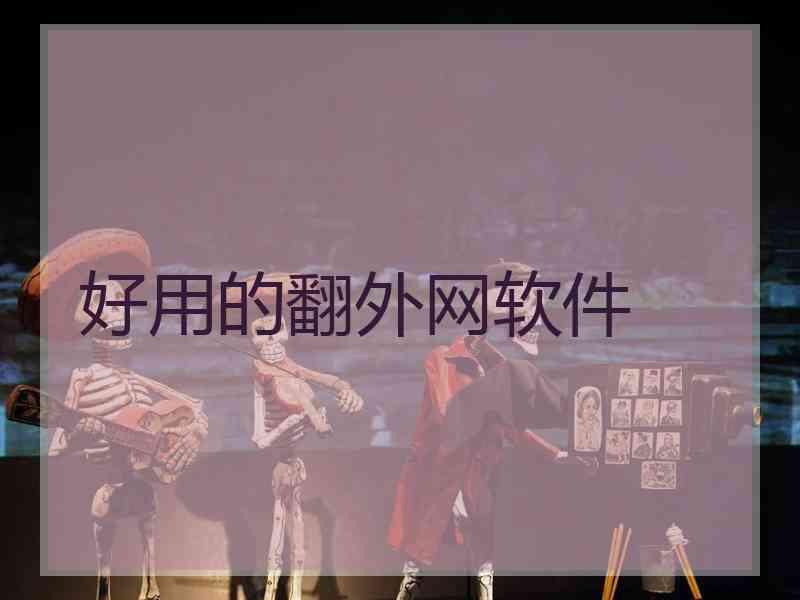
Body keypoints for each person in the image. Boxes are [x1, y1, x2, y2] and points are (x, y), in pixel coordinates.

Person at [387, 260, 596, 600]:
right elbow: (449, 415)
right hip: (440, 472)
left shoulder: (499, 367)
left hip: (477, 474)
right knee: (419, 555)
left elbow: (508, 426)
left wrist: (556, 454)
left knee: (482, 555)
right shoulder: (444, 359)